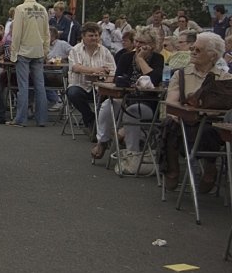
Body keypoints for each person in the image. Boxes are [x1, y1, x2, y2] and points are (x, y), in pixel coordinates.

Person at [161, 32, 231, 192]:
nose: (192, 52)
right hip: (184, 122)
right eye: (192, 48)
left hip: (210, 124)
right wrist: (176, 113)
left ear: (212, 56)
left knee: (212, 130)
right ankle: (172, 169)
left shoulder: (225, 79)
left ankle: (210, 167)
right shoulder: (181, 75)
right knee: (169, 124)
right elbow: (172, 100)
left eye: (198, 50)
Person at [90, 27, 163, 160]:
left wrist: (140, 60)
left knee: (133, 111)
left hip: (147, 103)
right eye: (137, 41)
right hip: (125, 98)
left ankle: (132, 153)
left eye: (143, 43)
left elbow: (155, 79)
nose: (138, 45)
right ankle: (102, 141)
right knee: (108, 105)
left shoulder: (158, 59)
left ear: (152, 45)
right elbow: (118, 79)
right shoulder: (126, 57)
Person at [8, 0, 49, 127]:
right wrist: (45, 51)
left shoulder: (20, 9)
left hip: (24, 51)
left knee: (23, 86)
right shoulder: (43, 9)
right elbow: (47, 33)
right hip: (38, 51)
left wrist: (13, 53)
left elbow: (17, 34)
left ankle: (20, 119)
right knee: (40, 86)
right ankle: (42, 119)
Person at [65, 22, 116, 137]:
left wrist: (107, 82)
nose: (94, 38)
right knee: (73, 93)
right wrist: (96, 70)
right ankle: (90, 120)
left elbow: (113, 70)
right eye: (91, 35)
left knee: (111, 97)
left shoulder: (105, 51)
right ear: (83, 36)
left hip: (100, 87)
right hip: (80, 86)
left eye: (96, 35)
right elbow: (76, 67)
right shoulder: (75, 50)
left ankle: (100, 127)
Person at [45, 25, 73, 111]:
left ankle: (57, 101)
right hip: (47, 72)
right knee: (35, 78)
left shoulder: (62, 44)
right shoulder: (44, 47)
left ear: (53, 35)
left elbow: (74, 54)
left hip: (61, 73)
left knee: (39, 79)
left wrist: (63, 60)